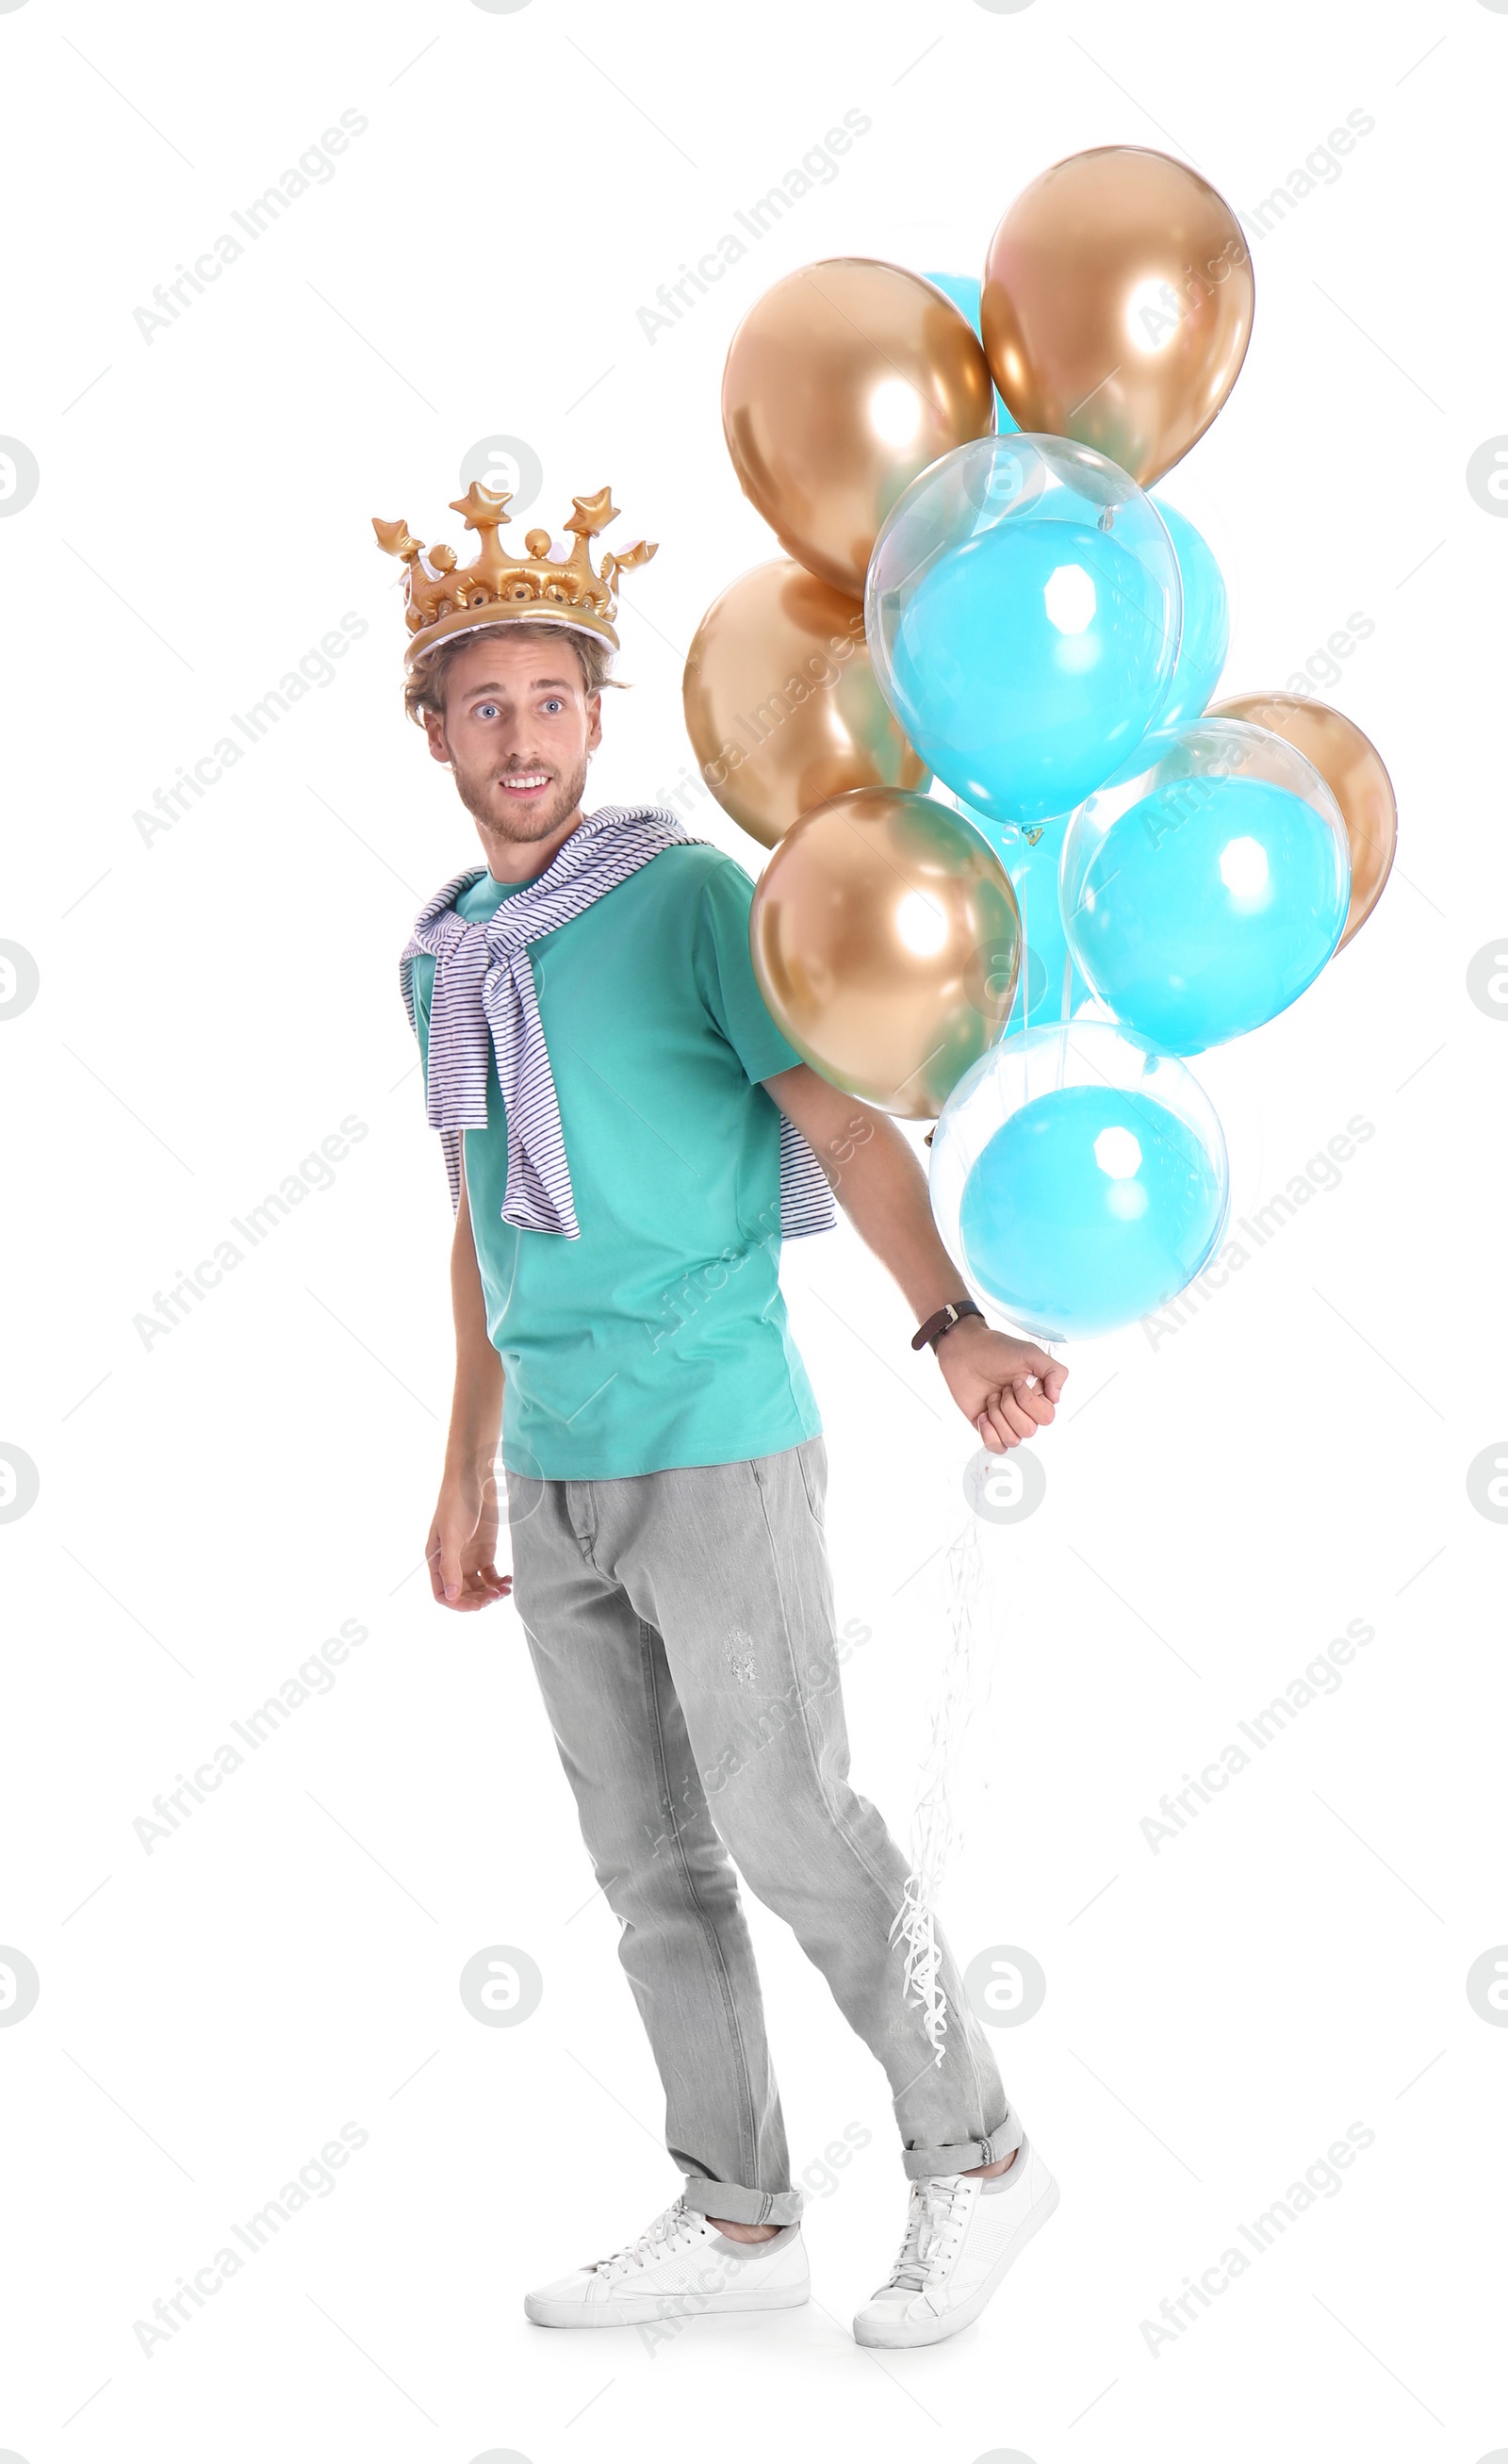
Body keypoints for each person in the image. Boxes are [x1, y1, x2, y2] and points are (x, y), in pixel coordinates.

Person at [382, 479, 1067, 2348]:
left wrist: (948, 1323)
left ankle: (980, 2158)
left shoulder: (682, 898)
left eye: (548, 699)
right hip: (559, 1469)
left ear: (591, 721)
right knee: (646, 1865)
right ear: (431, 731)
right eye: (482, 705)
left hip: (712, 1440)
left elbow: (836, 1117)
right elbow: (477, 1217)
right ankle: (736, 2202)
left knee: (791, 1820)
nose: (518, 736)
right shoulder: (446, 957)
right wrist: (460, 1469)